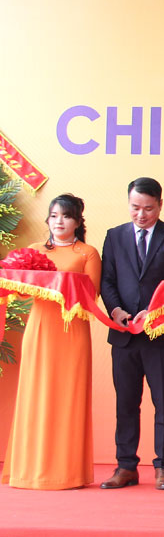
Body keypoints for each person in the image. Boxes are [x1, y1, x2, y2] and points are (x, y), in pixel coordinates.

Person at [2, 194, 100, 489]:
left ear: (78, 221)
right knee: (36, 394)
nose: (59, 222)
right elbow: (20, 290)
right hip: (40, 328)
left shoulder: (87, 253)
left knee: (68, 396)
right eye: (54, 216)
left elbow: (91, 294)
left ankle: (67, 473)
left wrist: (61, 286)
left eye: (66, 216)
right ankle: (29, 469)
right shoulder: (34, 251)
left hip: (72, 330)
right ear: (47, 219)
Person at [100, 178, 164, 490]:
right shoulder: (114, 236)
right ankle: (126, 466)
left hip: (161, 335)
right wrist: (115, 310)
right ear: (128, 203)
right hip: (124, 333)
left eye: (148, 208)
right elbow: (107, 279)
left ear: (160, 205)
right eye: (135, 207)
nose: (141, 214)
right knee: (126, 403)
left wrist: (153, 312)